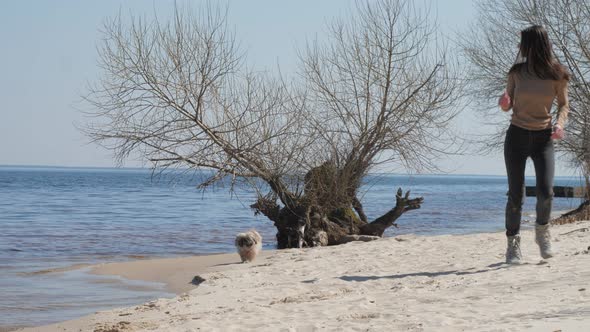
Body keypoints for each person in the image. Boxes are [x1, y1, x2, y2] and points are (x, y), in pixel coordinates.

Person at [498, 25, 570, 264]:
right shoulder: (516, 72)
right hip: (516, 136)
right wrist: (504, 102)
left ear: (533, 45)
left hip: (543, 139)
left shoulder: (557, 74)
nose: (519, 48)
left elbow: (563, 105)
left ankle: (542, 233)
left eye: (522, 43)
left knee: (546, 193)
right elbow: (507, 104)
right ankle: (513, 245)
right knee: (516, 195)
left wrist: (559, 125)